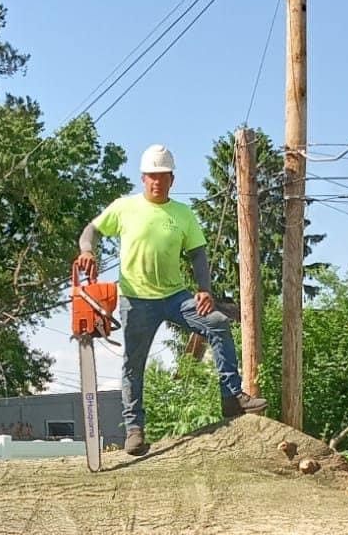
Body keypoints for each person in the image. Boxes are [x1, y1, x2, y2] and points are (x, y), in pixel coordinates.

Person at [79, 143, 266, 457]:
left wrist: (205, 289)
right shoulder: (124, 208)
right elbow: (91, 231)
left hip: (175, 297)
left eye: (162, 176)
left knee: (218, 324)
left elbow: (198, 254)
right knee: (133, 365)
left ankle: (232, 398)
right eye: (151, 176)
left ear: (171, 180)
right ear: (143, 178)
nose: (156, 181)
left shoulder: (182, 214)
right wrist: (87, 250)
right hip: (135, 300)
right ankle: (134, 430)